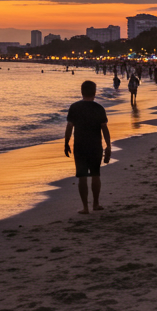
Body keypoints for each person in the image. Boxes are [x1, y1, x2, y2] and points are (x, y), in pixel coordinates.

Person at [64, 80, 112, 213]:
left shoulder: (75, 107)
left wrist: (66, 142)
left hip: (80, 145)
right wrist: (108, 145)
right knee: (96, 175)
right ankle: (96, 204)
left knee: (82, 176)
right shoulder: (99, 108)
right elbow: (104, 128)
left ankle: (85, 207)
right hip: (95, 145)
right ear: (94, 92)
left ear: (81, 92)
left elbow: (69, 127)